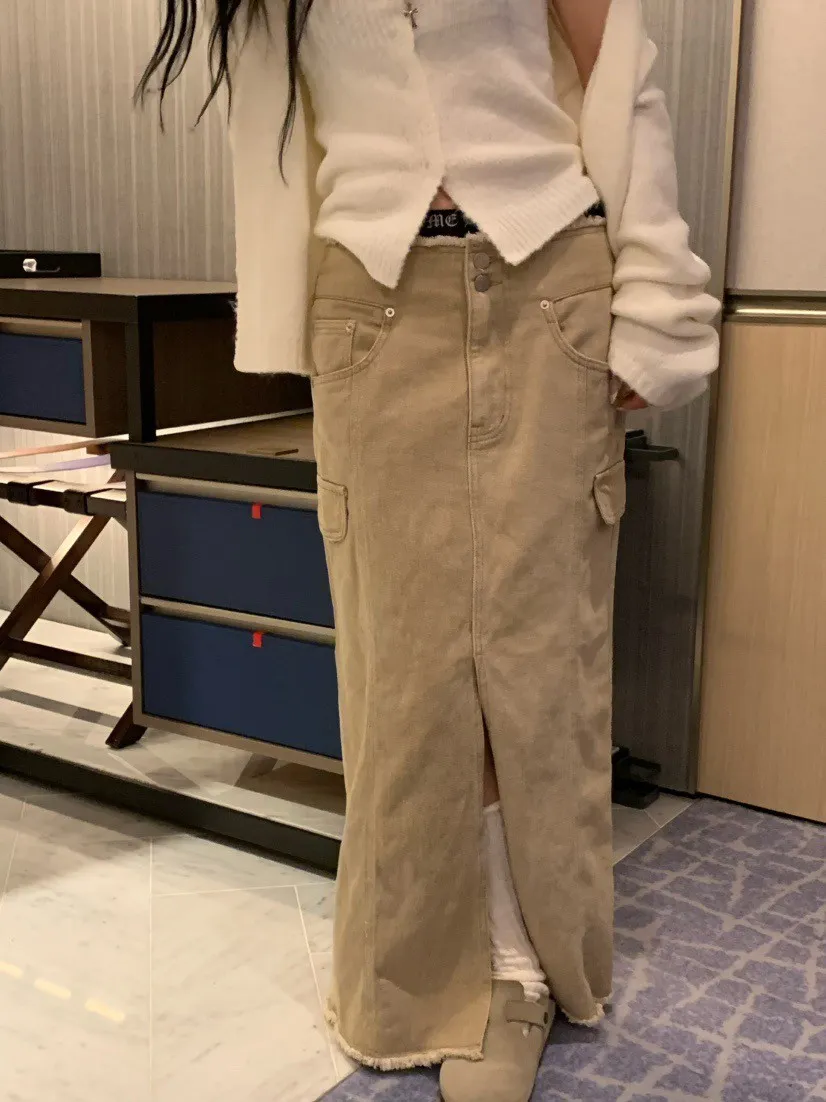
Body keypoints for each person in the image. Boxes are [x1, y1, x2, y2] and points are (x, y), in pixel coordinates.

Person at [141, 2, 719, 1099]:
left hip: (546, 285)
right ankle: (415, 977)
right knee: (403, 674)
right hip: (371, 299)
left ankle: (516, 965)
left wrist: (657, 296)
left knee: (535, 660)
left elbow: (618, 79)